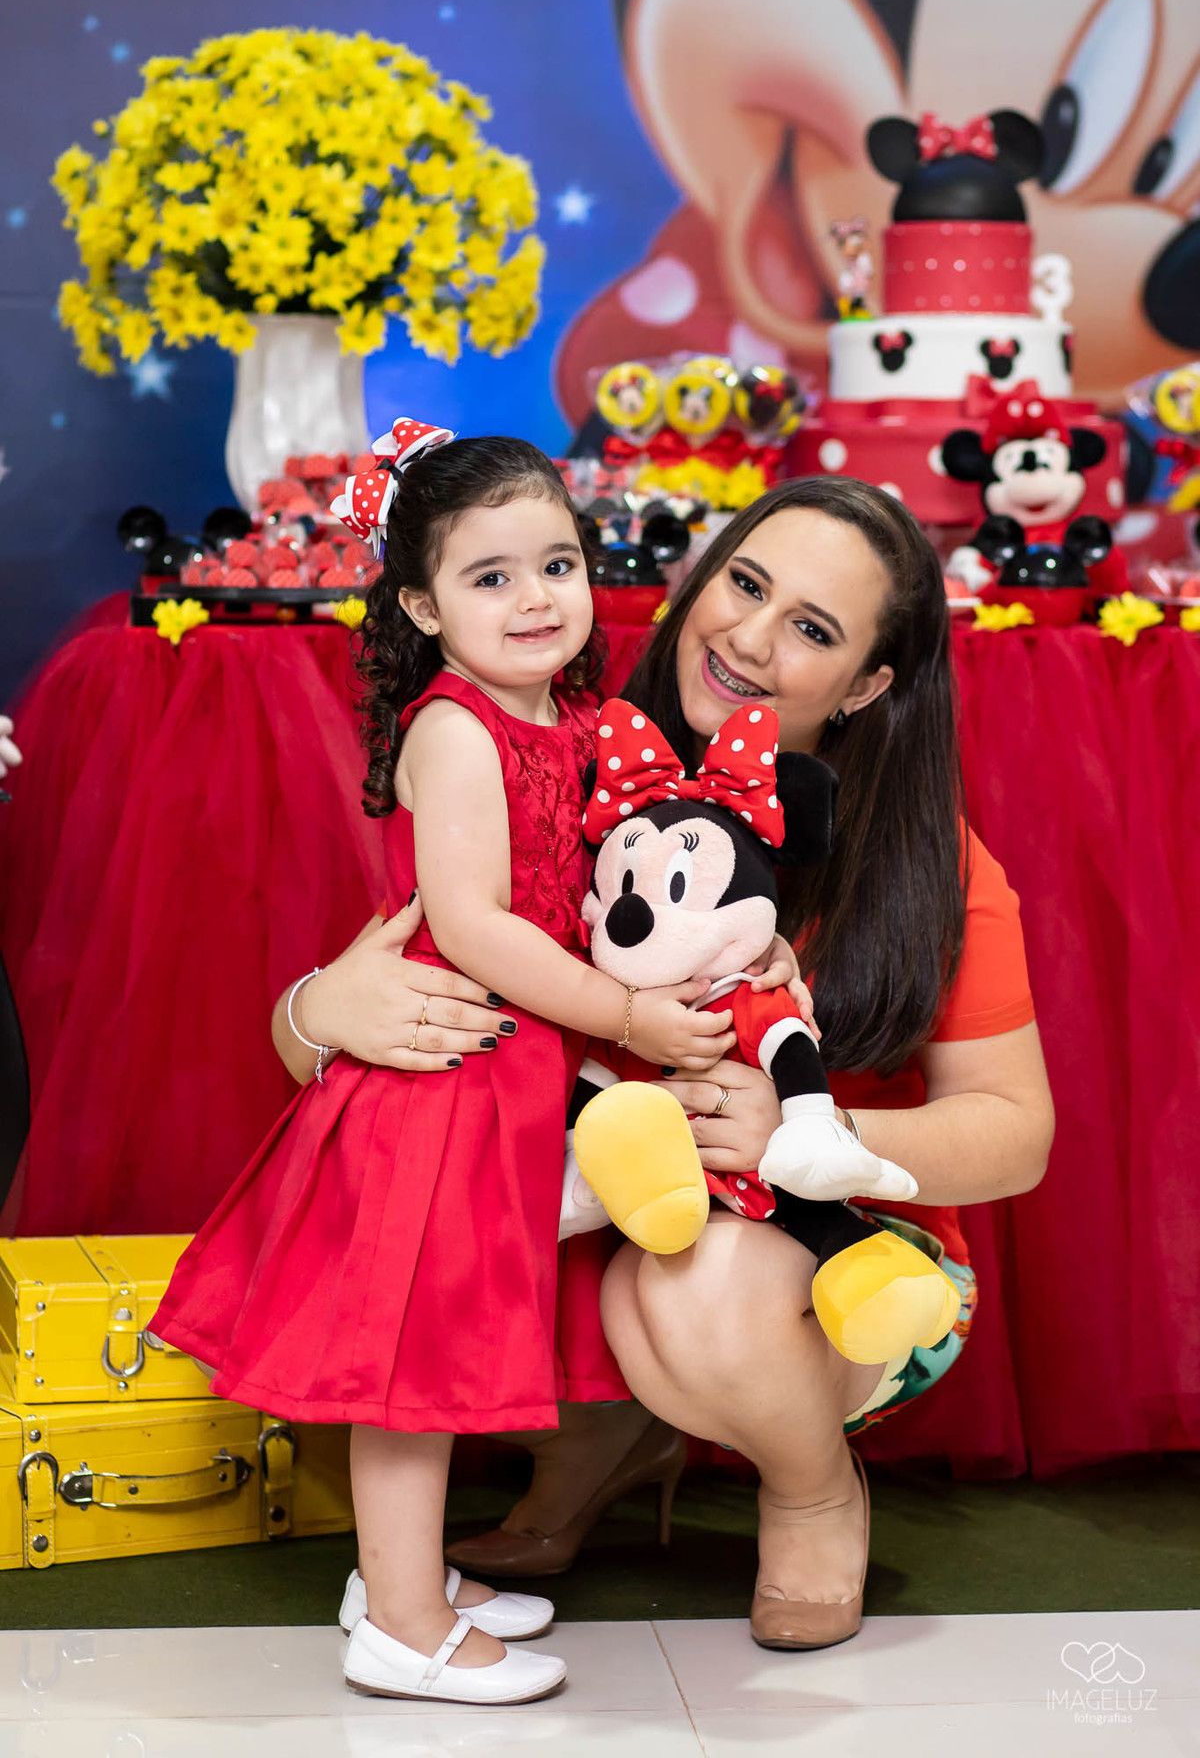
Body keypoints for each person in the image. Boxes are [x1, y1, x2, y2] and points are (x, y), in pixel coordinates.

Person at [274, 474, 1054, 1652]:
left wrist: (811, 1132)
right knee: (472, 1202)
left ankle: (812, 1491)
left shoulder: (925, 860)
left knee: (693, 1281)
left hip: (829, 1265)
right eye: (745, 585)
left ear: (868, 684)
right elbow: (357, 1046)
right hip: (599, 1216)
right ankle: (610, 1439)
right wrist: (318, 1008)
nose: (749, 638)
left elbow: (1015, 1134)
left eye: (813, 629)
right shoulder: (561, 760)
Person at [152, 427, 749, 1707]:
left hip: (516, 1074)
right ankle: (403, 1627)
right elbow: (474, 924)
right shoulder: (457, 729)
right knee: (411, 1369)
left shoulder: (574, 715)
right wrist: (629, 1017)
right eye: (490, 577)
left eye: (557, 564)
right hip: (447, 1078)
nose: (536, 598)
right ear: (422, 607)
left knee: (459, 1341)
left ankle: (403, 1577)